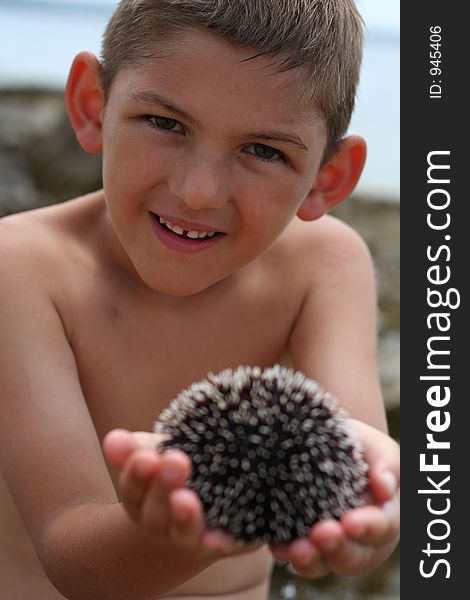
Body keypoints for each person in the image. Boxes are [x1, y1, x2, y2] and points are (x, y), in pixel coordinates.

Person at [0, 0, 400, 598]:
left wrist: (376, 509)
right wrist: (189, 531)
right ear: (92, 105)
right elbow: (71, 551)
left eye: (264, 151)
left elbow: (363, 460)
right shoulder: (20, 267)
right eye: (165, 123)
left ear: (327, 179)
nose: (197, 192)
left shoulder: (326, 263)